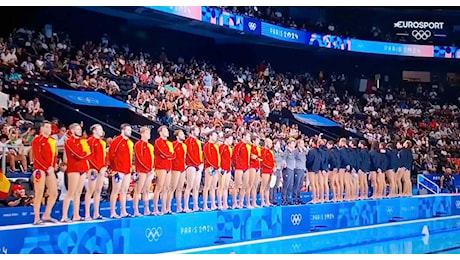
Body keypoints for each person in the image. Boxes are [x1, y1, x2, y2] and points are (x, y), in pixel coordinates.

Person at [61, 123, 91, 222]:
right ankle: (64, 216)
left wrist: (85, 153)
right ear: (72, 130)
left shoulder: (82, 141)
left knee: (78, 193)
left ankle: (76, 215)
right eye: (78, 129)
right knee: (71, 193)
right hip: (73, 168)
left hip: (82, 168)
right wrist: (85, 153)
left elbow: (88, 153)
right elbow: (80, 155)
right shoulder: (69, 141)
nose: (80, 131)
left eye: (80, 129)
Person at [31, 120, 58, 225]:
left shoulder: (52, 141)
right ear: (41, 128)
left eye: (50, 127)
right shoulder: (37, 140)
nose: (49, 129)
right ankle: (36, 218)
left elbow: (55, 155)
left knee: (54, 193)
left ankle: (47, 215)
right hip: (40, 169)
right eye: (46, 127)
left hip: (50, 169)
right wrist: (47, 168)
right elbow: (37, 157)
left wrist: (54, 165)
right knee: (39, 194)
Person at [108, 123, 134, 218]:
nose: (130, 132)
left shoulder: (130, 143)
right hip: (118, 169)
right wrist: (113, 168)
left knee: (124, 191)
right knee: (115, 191)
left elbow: (130, 157)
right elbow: (111, 154)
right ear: (123, 130)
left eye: (130, 130)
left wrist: (130, 168)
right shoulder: (117, 141)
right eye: (128, 130)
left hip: (127, 169)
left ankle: (123, 211)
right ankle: (113, 212)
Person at [85, 124, 107, 220]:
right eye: (100, 129)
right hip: (93, 169)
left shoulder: (102, 142)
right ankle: (87, 214)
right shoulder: (90, 141)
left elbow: (104, 156)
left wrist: (104, 167)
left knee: (98, 191)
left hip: (101, 169)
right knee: (90, 190)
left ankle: (96, 213)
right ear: (94, 130)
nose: (101, 131)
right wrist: (97, 168)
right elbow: (89, 156)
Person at [153, 125, 175, 215]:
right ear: (160, 132)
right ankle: (155, 208)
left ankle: (165, 208)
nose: (167, 132)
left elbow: (173, 155)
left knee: (166, 188)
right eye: (165, 130)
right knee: (159, 188)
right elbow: (164, 153)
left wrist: (168, 156)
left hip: (168, 166)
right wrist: (168, 155)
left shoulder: (169, 143)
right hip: (161, 166)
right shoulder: (158, 141)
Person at [133, 127, 155, 217]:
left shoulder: (150, 145)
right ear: (142, 134)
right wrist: (147, 168)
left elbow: (152, 158)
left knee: (146, 190)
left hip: (149, 170)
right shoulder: (139, 144)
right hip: (142, 170)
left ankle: (146, 209)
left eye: (149, 133)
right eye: (147, 133)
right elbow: (139, 157)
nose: (149, 134)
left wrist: (152, 168)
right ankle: (136, 210)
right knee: (138, 190)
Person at [232, 132, 252, 208]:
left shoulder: (247, 146)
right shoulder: (238, 145)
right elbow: (234, 156)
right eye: (248, 136)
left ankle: (241, 202)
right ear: (244, 136)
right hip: (239, 167)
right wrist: (236, 165)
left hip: (246, 167)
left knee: (245, 186)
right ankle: (234, 203)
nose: (249, 138)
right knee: (236, 186)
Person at [203, 131, 221, 211]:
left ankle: (213, 203)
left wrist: (218, 167)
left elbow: (217, 157)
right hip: (210, 167)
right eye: (215, 135)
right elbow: (207, 157)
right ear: (210, 136)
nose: (216, 137)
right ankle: (205, 205)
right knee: (207, 186)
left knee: (213, 186)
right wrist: (212, 167)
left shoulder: (215, 146)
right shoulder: (207, 145)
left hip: (215, 168)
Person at [171, 130, 187, 213]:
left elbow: (184, 157)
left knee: (180, 188)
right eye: (181, 134)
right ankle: (168, 207)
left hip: (182, 168)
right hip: (175, 168)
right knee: (172, 188)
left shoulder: (184, 145)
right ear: (177, 136)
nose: (183, 135)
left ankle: (179, 206)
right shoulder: (173, 144)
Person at [218, 133, 233, 210]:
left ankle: (225, 203)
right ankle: (220, 203)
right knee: (221, 186)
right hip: (222, 169)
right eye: (230, 139)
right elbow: (219, 157)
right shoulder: (222, 147)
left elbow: (229, 159)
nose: (232, 141)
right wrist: (220, 167)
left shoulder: (229, 148)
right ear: (226, 139)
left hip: (228, 168)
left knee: (226, 187)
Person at [260, 138, 275, 207]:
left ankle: (267, 201)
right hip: (265, 170)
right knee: (263, 187)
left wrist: (274, 166)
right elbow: (262, 160)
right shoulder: (263, 151)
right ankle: (262, 201)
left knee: (267, 187)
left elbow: (273, 161)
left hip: (270, 171)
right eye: (270, 143)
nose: (271, 145)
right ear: (266, 143)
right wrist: (270, 166)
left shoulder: (270, 151)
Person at [248, 135, 261, 208]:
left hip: (257, 167)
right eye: (257, 141)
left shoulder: (258, 148)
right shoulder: (250, 148)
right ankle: (248, 202)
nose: (258, 142)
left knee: (255, 186)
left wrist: (256, 157)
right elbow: (250, 156)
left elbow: (260, 157)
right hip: (252, 167)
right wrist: (255, 157)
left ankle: (254, 202)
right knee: (250, 185)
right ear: (253, 141)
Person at [282, 139, 297, 205]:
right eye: (293, 144)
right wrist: (284, 164)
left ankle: (288, 199)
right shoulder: (286, 152)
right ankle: (284, 200)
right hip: (287, 169)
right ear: (289, 144)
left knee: (290, 186)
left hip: (292, 170)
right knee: (286, 185)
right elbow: (283, 160)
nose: (294, 145)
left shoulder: (292, 152)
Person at [270, 140, 284, 206]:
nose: (279, 145)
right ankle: (270, 199)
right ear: (275, 144)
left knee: (276, 185)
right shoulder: (272, 152)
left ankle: (274, 199)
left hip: (279, 169)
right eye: (278, 144)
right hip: (274, 169)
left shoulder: (280, 152)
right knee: (272, 185)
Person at [293, 139, 307, 205]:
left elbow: (308, 154)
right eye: (302, 143)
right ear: (298, 144)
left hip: (302, 169)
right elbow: (293, 159)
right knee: (296, 184)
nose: (303, 144)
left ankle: (298, 198)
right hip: (297, 169)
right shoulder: (295, 151)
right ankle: (295, 199)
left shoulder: (304, 151)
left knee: (300, 185)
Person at [306, 138, 321, 203]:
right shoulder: (318, 150)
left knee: (313, 184)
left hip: (312, 168)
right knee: (316, 184)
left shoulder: (311, 150)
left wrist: (307, 166)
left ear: (312, 142)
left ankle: (314, 198)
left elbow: (309, 160)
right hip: (317, 168)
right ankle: (317, 198)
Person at [318, 138, 330, 202]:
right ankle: (327, 197)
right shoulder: (327, 150)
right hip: (327, 168)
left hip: (322, 168)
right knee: (325, 183)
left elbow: (321, 160)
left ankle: (322, 198)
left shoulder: (320, 150)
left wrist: (322, 169)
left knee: (321, 183)